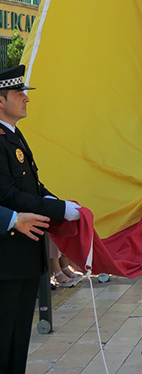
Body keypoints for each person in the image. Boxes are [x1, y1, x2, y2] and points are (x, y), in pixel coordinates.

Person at [0, 65, 81, 374]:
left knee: (18, 337)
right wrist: (58, 211)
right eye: (19, 93)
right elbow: (7, 194)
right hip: (6, 257)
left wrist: (54, 200)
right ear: (0, 100)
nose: (26, 99)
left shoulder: (13, 134)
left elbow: (30, 186)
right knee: (5, 334)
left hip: (22, 254)